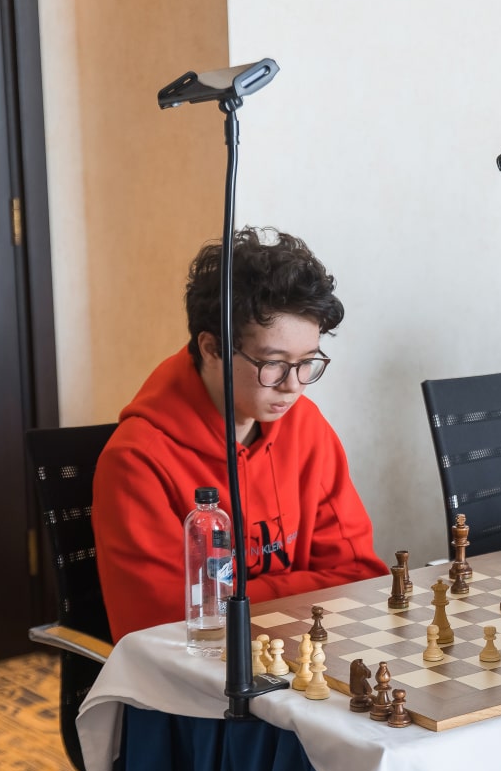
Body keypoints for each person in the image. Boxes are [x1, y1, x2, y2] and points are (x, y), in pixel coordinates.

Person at [93, 229, 387, 642]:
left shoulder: (307, 428)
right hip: (193, 685)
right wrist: (304, 590)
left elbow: (360, 577)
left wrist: (228, 599)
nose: (294, 386)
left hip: (300, 660)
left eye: (307, 362)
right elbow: (162, 625)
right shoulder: (136, 460)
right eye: (274, 363)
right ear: (212, 348)